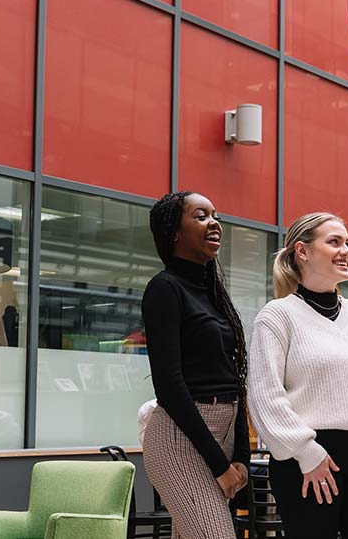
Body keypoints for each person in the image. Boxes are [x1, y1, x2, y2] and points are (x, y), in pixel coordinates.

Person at [247, 212, 348, 538]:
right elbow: (265, 397)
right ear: (303, 251)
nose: (347, 251)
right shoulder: (277, 316)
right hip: (304, 462)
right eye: (334, 242)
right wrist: (308, 453)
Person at [141, 191, 250, 538]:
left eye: (215, 215)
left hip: (225, 432)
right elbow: (169, 385)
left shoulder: (214, 294)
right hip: (179, 437)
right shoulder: (164, 289)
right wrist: (220, 466)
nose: (214, 223)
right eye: (200, 216)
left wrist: (241, 456)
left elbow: (236, 376)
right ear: (174, 231)